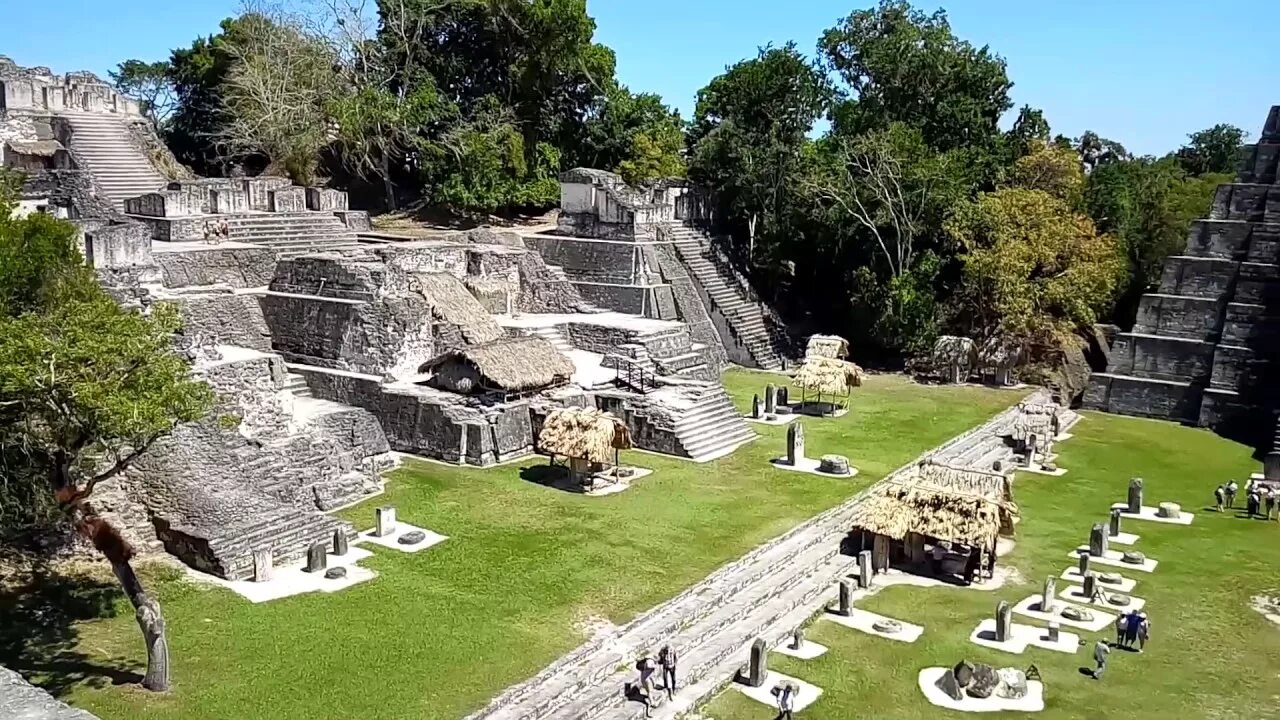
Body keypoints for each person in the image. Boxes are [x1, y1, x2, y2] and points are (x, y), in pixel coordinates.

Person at [636, 651, 656, 716]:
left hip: (643, 679)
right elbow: (650, 667)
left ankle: (649, 709)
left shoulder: (643, 663)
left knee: (649, 692)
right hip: (648, 680)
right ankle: (652, 703)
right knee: (650, 692)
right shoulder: (649, 663)